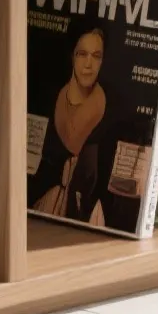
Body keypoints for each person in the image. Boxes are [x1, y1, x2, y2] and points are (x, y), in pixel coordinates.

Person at [29, 27, 112, 226]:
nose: (89, 64)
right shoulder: (46, 101)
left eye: (96, 56)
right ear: (72, 56)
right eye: (82, 54)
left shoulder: (110, 114)